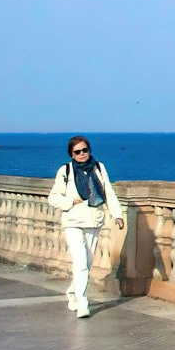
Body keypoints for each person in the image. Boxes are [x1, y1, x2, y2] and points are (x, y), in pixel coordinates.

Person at [46, 135, 125, 319]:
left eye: (85, 150)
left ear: (89, 150)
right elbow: (53, 198)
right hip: (73, 221)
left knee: (87, 262)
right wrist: (70, 201)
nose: (82, 154)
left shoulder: (99, 167)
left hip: (94, 219)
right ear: (71, 154)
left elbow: (108, 192)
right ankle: (83, 302)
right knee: (81, 261)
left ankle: (72, 292)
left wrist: (117, 215)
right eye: (77, 152)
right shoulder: (65, 171)